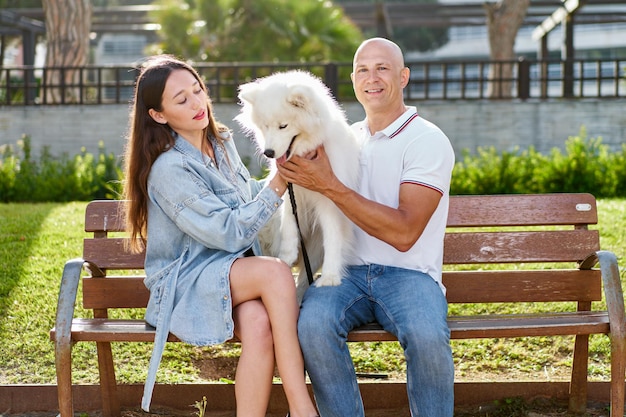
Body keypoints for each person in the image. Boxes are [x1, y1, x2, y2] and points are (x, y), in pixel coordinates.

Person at [122, 55, 319, 417]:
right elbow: (229, 232)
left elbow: (246, 202)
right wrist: (277, 184)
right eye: (182, 100)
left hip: (229, 272)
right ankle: (303, 407)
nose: (197, 104)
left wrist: (293, 171)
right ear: (158, 115)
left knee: (259, 326)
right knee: (275, 272)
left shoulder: (221, 141)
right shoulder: (168, 168)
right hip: (185, 280)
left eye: (198, 90)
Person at [277, 38, 456, 417]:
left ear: (403, 77)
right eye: (362, 69)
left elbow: (405, 233)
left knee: (427, 334)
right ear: (353, 81)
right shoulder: (344, 139)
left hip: (410, 275)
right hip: (346, 274)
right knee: (313, 326)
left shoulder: (427, 140)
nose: (371, 78)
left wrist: (328, 184)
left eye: (382, 68)